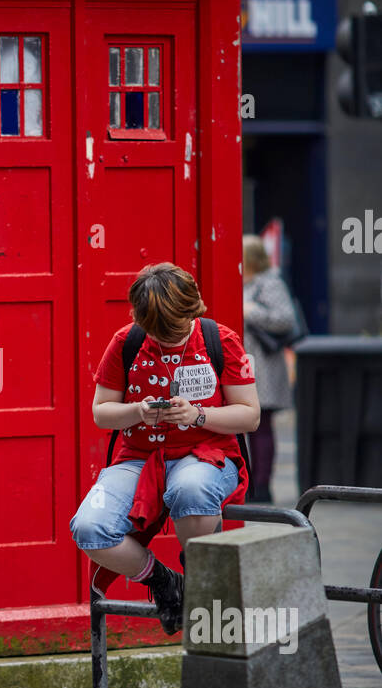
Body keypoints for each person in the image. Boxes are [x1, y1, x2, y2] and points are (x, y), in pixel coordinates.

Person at [70, 263, 260, 634]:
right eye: (155, 330)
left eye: (172, 330)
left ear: (193, 310)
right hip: (139, 458)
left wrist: (198, 415)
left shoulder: (220, 340)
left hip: (205, 454)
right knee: (89, 528)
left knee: (189, 488)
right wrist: (137, 411)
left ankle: (203, 589)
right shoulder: (126, 341)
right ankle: (165, 582)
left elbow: (250, 415)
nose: (164, 338)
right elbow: (101, 413)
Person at [242, 235, 296, 503]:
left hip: (264, 366)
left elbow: (285, 320)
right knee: (248, 426)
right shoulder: (244, 281)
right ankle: (250, 484)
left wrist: (251, 312)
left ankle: (262, 487)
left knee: (261, 424)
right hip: (246, 363)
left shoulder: (270, 283)